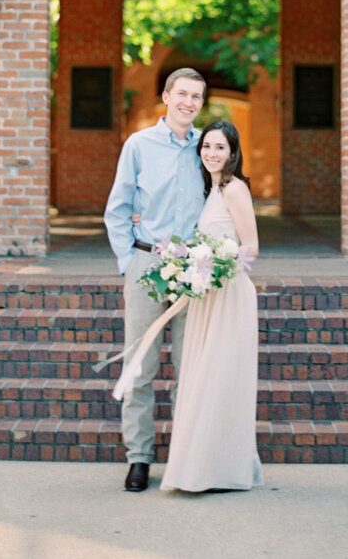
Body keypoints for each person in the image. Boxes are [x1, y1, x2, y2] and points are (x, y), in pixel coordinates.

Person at [104, 67, 207, 492]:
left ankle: (185, 459)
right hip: (147, 266)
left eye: (196, 97)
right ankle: (140, 458)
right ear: (166, 96)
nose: (188, 102)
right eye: (181, 94)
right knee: (141, 366)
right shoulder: (139, 145)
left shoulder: (211, 146)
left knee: (191, 368)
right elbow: (118, 206)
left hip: (195, 272)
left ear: (202, 103)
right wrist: (129, 261)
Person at [160, 119, 263, 493]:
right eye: (206, 146)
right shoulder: (213, 190)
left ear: (233, 153)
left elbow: (250, 246)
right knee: (204, 379)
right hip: (207, 294)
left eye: (220, 147)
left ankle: (221, 470)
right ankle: (203, 468)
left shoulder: (235, 189)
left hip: (228, 293)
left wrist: (216, 268)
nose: (211, 153)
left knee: (220, 379)